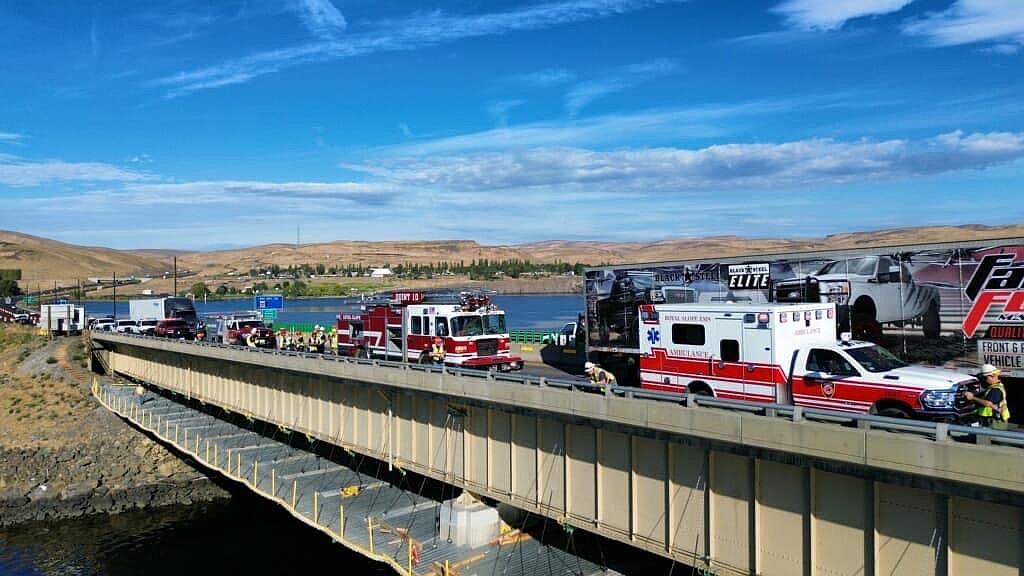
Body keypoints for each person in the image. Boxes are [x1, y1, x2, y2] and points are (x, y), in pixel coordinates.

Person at [966, 364, 1010, 429]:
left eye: (985, 377)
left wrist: (972, 397)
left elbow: (988, 403)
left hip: (995, 422)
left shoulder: (995, 390)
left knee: (990, 438)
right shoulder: (995, 386)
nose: (984, 379)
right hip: (993, 420)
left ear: (992, 376)